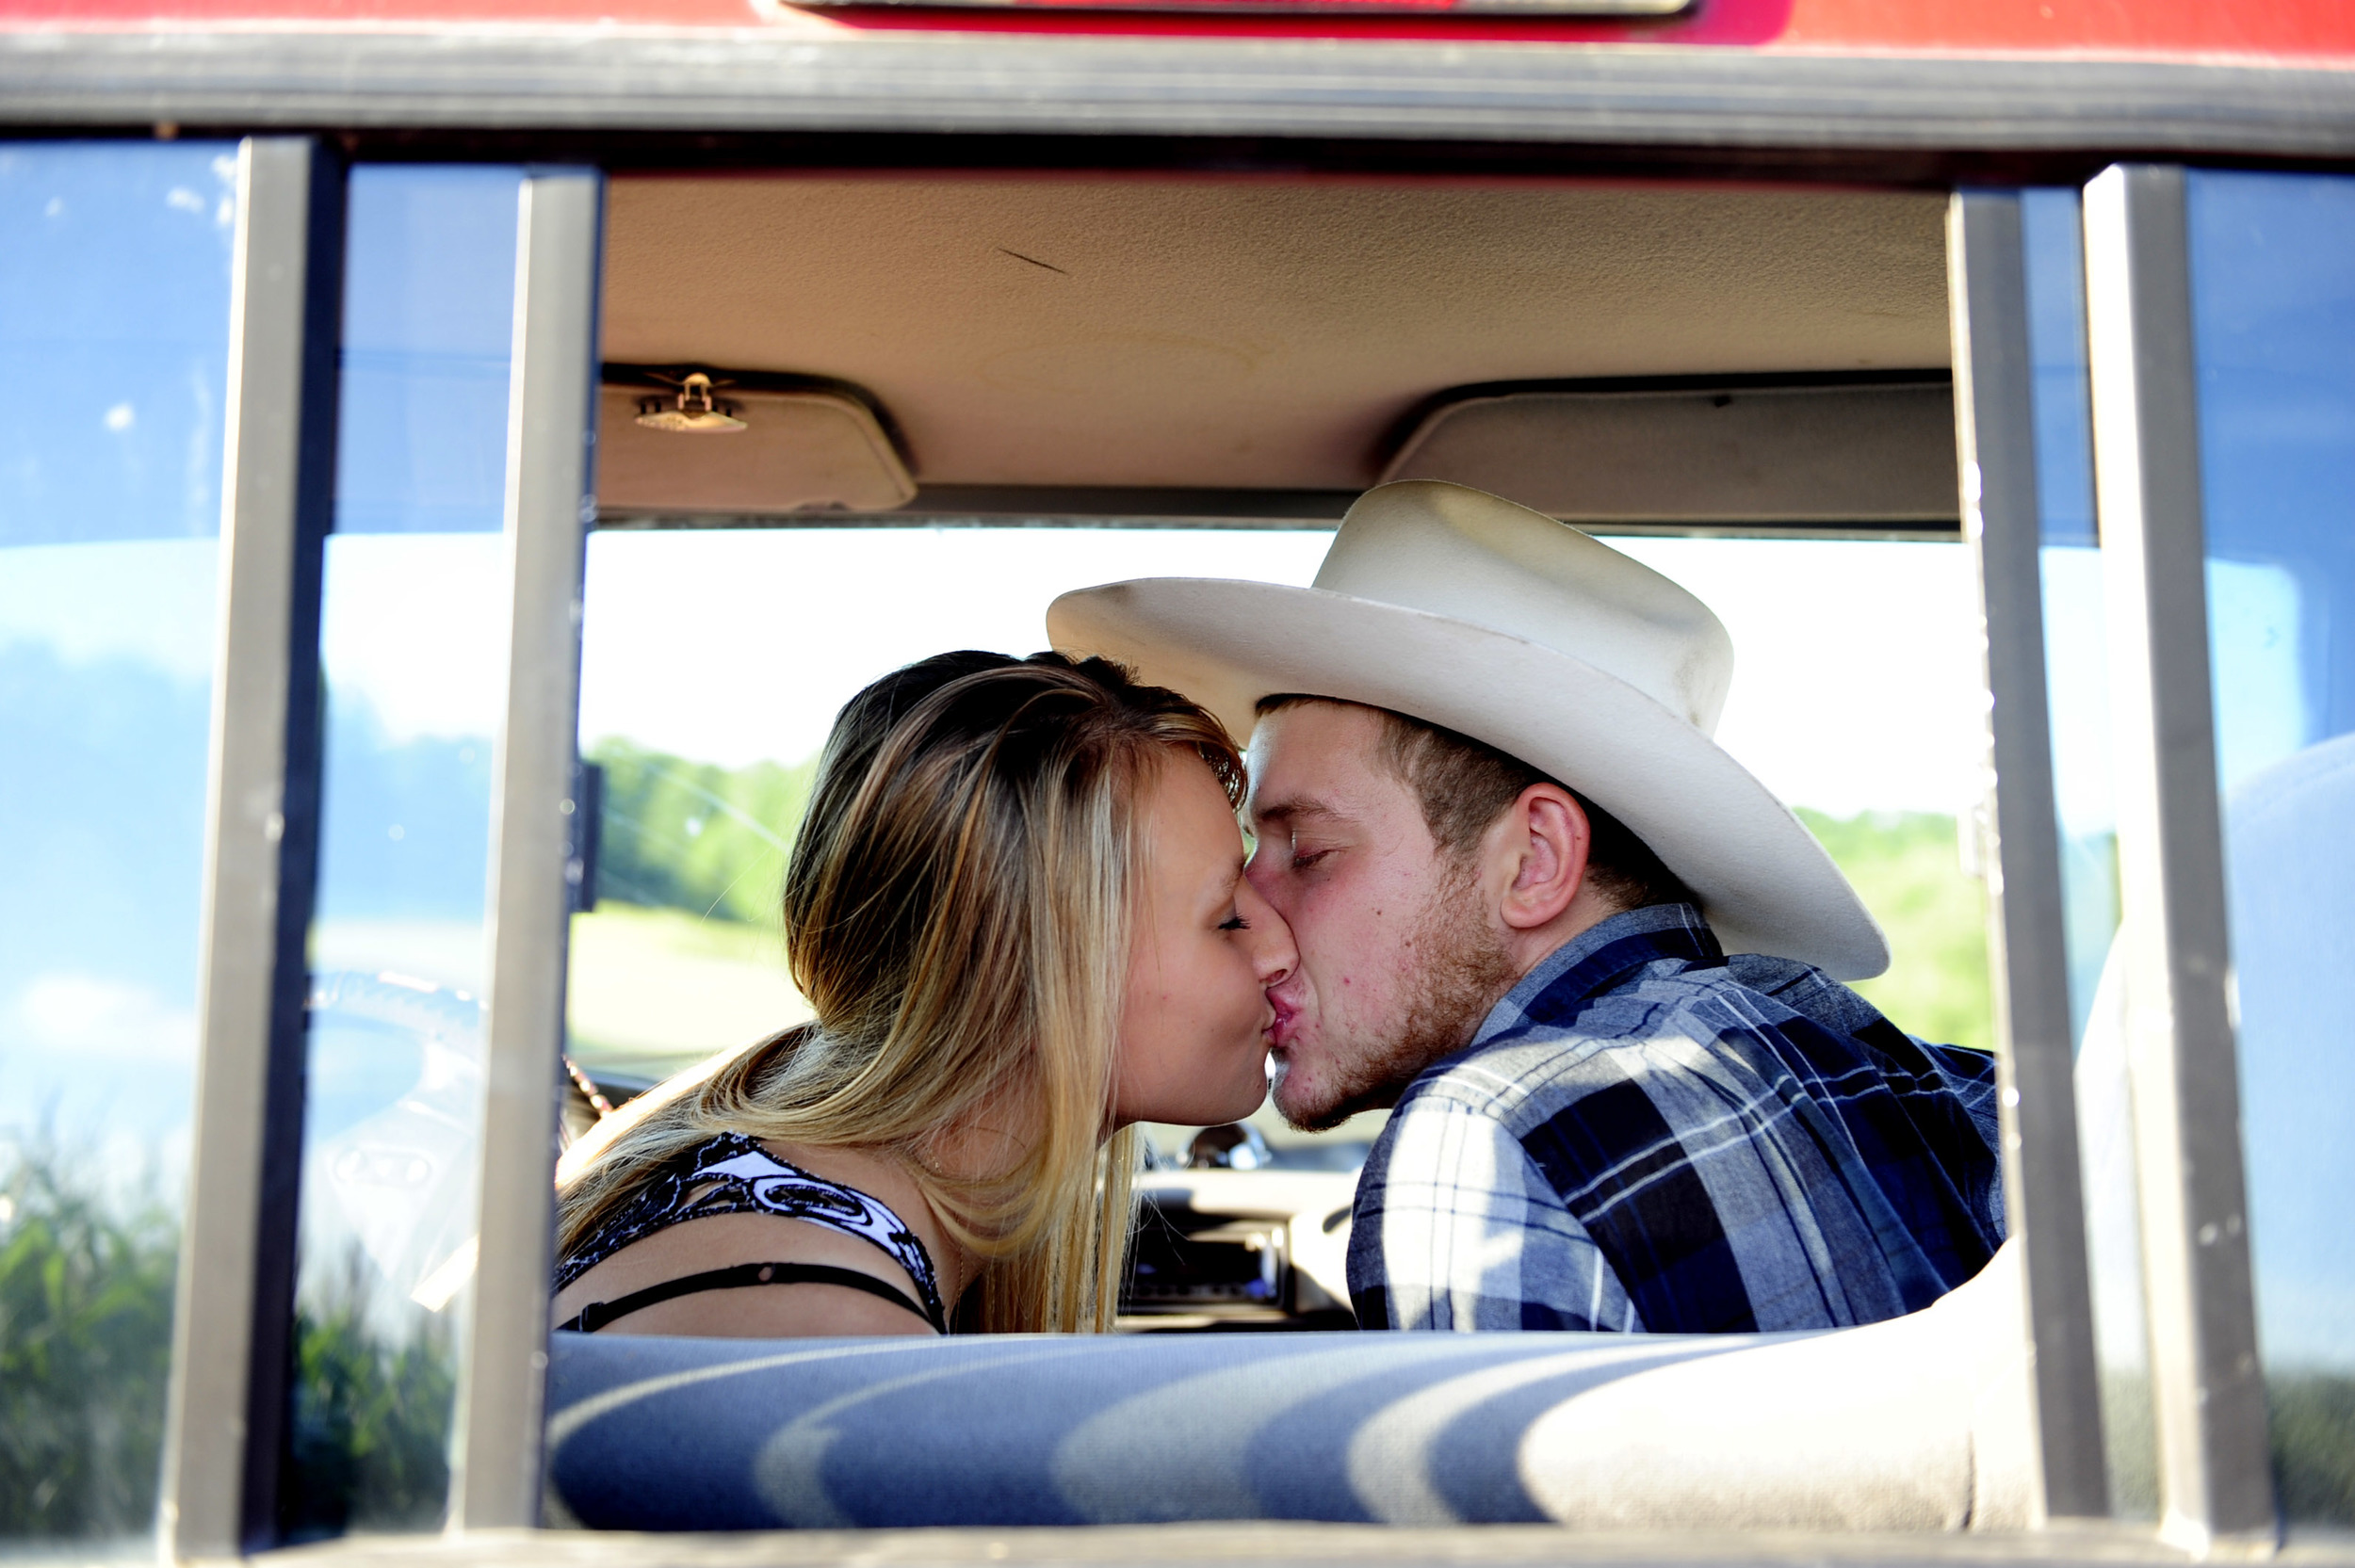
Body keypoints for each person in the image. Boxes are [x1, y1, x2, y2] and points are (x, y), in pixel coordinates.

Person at [1048, 480, 2006, 1333]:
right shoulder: (1964, 1097)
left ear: (1534, 862)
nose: (1254, 906)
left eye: (1311, 850)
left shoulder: (1486, 1138)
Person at [551, 650, 1297, 1337]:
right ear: (1031, 972)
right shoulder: (828, 1316)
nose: (1279, 946)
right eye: (1226, 916)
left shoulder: (784, 1178)